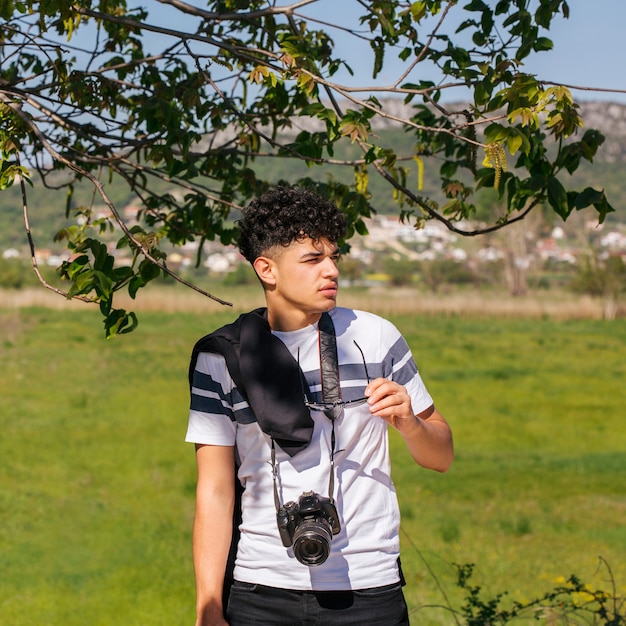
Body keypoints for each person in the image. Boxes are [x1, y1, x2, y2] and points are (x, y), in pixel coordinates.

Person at [185, 185, 454, 626]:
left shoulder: (376, 338)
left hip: (369, 588)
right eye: (312, 260)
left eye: (333, 256)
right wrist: (209, 605)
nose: (331, 270)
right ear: (266, 269)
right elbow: (214, 489)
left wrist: (409, 423)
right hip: (259, 589)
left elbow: (441, 456)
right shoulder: (222, 358)